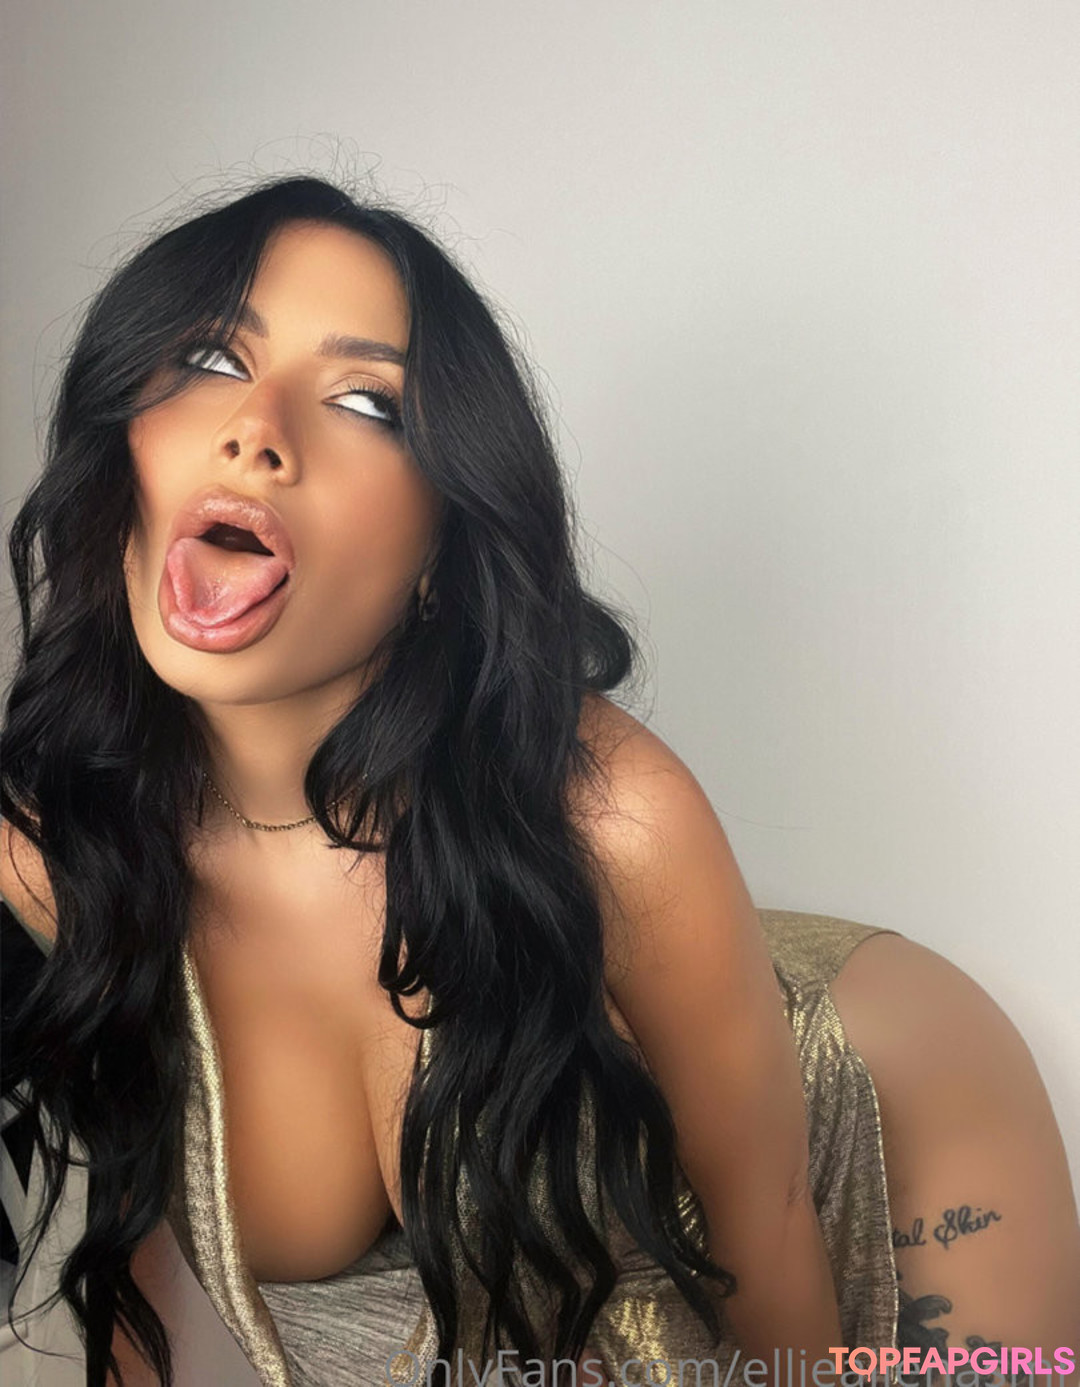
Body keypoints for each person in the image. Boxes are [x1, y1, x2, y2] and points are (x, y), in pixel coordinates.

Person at [0, 175, 1076, 1387]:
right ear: (123, 451)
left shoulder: (612, 812)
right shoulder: (52, 850)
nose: (259, 428)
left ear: (439, 548)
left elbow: (770, 1211)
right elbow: (132, 1219)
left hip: (891, 1108)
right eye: (209, 358)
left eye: (367, 401)